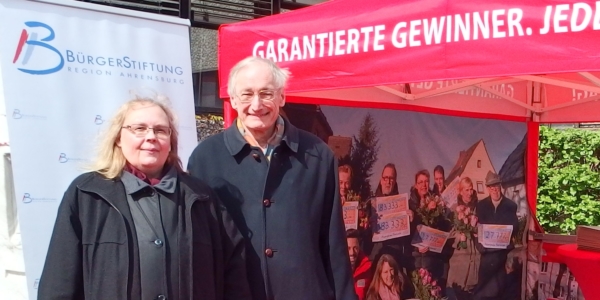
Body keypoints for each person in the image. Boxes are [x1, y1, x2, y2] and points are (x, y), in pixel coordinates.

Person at [38, 97, 250, 300]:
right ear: (118, 138)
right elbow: (60, 280)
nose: (151, 137)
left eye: (160, 130)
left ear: (170, 142)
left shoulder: (202, 198)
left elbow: (233, 274)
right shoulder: (87, 194)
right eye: (139, 129)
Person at [187, 56, 356, 300]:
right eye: (246, 94)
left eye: (266, 93)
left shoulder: (318, 156)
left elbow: (334, 244)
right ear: (233, 99)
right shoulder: (205, 159)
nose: (256, 104)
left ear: (282, 97)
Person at [473, 171, 519, 300]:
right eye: (491, 187)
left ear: (500, 186)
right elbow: (477, 229)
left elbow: (515, 227)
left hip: (502, 255)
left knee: (500, 289)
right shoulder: (480, 206)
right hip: (486, 254)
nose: (494, 189)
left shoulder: (511, 206)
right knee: (484, 289)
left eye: (496, 186)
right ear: (487, 188)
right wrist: (480, 246)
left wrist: (506, 232)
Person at [409, 169, 451, 296]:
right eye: (420, 182)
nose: (424, 185)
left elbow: (444, 228)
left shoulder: (437, 202)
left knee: (434, 292)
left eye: (426, 181)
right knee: (420, 292)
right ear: (416, 185)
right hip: (417, 258)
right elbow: (407, 234)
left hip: (434, 257)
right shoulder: (410, 204)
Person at [446, 177, 480, 300]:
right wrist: (458, 237)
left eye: (471, 189)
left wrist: (476, 230)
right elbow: (448, 233)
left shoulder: (478, 208)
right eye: (466, 190)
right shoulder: (453, 210)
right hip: (460, 256)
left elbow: (483, 228)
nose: (469, 193)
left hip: (474, 255)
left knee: (472, 291)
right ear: (460, 191)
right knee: (457, 290)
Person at [347, 229, 373, 300]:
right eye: (348, 248)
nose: (352, 252)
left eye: (355, 248)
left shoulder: (367, 267)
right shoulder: (334, 269)